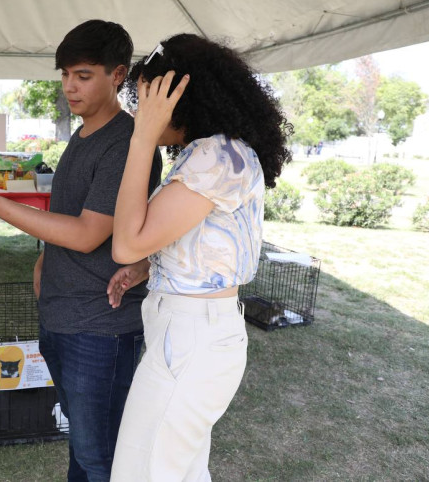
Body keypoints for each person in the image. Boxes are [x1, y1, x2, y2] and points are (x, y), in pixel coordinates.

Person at [0, 20, 162, 481]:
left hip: (101, 326)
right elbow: (67, 219)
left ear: (118, 74)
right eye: (64, 76)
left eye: (83, 75)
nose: (69, 87)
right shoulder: (81, 137)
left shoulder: (127, 145)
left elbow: (86, 234)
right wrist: (44, 256)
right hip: (62, 315)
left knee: (102, 456)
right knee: (82, 451)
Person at [107, 34, 292, 481]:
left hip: (192, 339)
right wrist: (150, 265)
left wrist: (142, 139)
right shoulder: (217, 153)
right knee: (178, 471)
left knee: (142, 472)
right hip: (194, 334)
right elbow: (205, 239)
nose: (139, 108)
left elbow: (125, 242)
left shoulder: (216, 155)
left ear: (180, 97)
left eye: (148, 97)